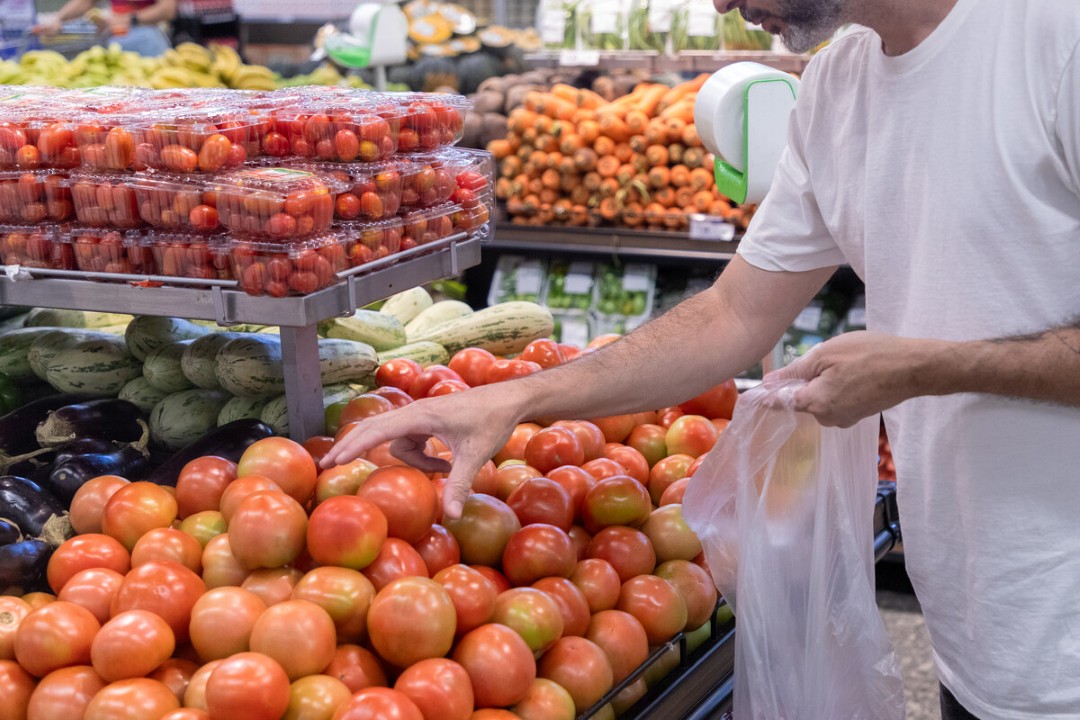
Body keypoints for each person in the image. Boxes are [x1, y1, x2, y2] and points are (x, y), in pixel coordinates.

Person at [322, 0, 1080, 717]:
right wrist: (513, 397)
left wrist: (929, 369)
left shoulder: (1054, 41)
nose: (719, 5)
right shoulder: (839, 89)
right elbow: (733, 313)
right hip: (980, 624)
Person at [32, 0, 176, 57]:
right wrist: (58, 18)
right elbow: (86, 2)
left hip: (148, 42)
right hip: (117, 43)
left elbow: (167, 10)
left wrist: (128, 19)